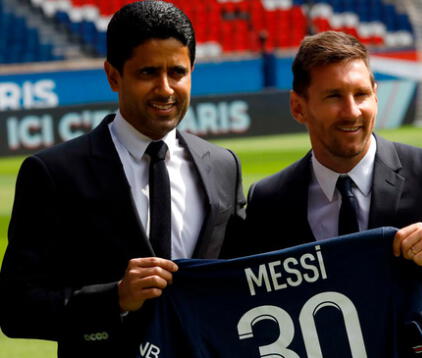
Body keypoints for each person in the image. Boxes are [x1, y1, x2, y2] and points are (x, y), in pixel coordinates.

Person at [226, 31, 422, 357]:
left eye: (361, 94)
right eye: (334, 97)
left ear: (376, 96)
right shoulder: (270, 199)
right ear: (299, 107)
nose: (352, 111)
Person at [0, 1, 245, 357]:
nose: (165, 89)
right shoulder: (53, 173)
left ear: (192, 69)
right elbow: (15, 309)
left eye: (177, 72)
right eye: (148, 73)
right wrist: (115, 298)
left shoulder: (224, 165)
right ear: (113, 75)